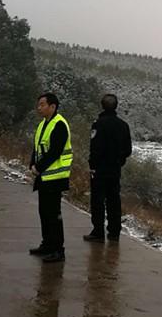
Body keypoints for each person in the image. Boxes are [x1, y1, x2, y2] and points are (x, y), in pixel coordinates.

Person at [29, 92, 73, 263]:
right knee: (44, 212)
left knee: (54, 214)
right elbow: (37, 147)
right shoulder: (43, 124)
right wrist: (32, 164)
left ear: (52, 106)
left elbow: (55, 151)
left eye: (42, 104)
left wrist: (38, 167)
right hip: (44, 177)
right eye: (38, 105)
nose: (39, 108)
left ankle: (58, 249)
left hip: (55, 177)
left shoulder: (59, 124)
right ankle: (47, 244)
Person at [84, 94, 132, 242]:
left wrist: (92, 165)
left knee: (98, 201)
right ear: (116, 106)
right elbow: (128, 149)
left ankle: (98, 232)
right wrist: (119, 160)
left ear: (102, 105)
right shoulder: (123, 126)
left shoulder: (98, 124)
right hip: (115, 169)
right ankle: (114, 232)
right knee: (114, 200)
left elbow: (95, 148)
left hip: (99, 170)